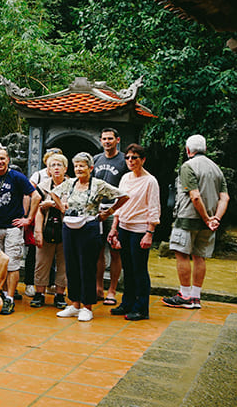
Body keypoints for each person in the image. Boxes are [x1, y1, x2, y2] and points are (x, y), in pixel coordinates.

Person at [50, 153, 128, 322]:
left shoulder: (98, 185)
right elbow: (53, 193)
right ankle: (75, 303)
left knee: (87, 266)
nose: (78, 169)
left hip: (89, 226)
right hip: (69, 227)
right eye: (76, 166)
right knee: (71, 265)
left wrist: (109, 212)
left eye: (82, 166)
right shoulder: (70, 183)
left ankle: (87, 306)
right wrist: (62, 207)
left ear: (90, 168)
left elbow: (123, 196)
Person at [163, 134, 229, 310]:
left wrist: (207, 218)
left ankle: (184, 295)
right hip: (209, 222)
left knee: (181, 253)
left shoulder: (188, 166)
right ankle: (195, 297)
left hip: (188, 217)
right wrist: (215, 219)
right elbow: (225, 198)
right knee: (200, 256)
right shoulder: (216, 169)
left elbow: (195, 196)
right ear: (205, 149)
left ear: (187, 150)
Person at [108, 144, 160, 320]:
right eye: (128, 157)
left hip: (140, 229)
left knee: (139, 269)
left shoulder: (150, 181)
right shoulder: (125, 178)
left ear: (143, 160)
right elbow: (120, 204)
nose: (130, 161)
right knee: (127, 268)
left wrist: (149, 232)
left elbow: (154, 208)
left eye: (135, 158)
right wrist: (114, 228)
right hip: (124, 226)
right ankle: (127, 303)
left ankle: (141, 307)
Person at [0, 148, 39, 313]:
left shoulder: (17, 176)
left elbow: (35, 196)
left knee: (12, 264)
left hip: (13, 227)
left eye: (3, 158)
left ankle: (9, 298)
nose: (0, 162)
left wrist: (28, 218)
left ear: (8, 159)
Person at [93, 127, 129, 306]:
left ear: (117, 140)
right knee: (98, 251)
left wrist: (116, 212)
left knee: (115, 250)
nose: (107, 142)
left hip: (116, 210)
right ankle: (99, 287)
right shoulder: (96, 160)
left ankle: (112, 290)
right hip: (97, 210)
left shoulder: (124, 161)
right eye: (104, 138)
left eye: (110, 139)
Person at [31, 152, 69, 310]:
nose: (56, 168)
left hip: (66, 229)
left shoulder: (72, 185)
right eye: (53, 165)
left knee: (64, 263)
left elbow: (69, 208)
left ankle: (60, 295)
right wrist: (38, 232)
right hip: (47, 228)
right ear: (48, 169)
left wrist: (52, 204)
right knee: (41, 262)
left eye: (59, 165)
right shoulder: (43, 186)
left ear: (65, 168)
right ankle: (39, 293)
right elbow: (39, 210)